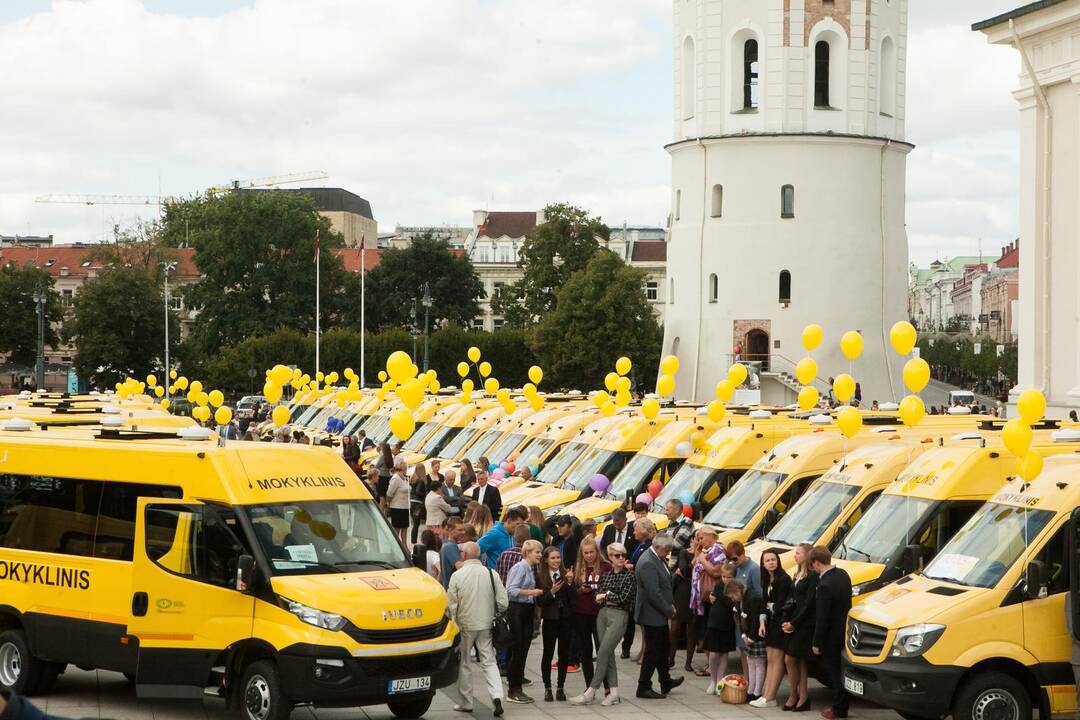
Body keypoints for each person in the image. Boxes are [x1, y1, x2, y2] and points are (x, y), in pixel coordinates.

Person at [569, 541, 636, 707]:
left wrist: (606, 595)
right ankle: (614, 692)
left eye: (623, 555)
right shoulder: (607, 575)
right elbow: (599, 594)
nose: (621, 558)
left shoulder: (629, 575)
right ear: (611, 557)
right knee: (609, 654)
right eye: (616, 555)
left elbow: (624, 598)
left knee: (603, 652)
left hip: (619, 615)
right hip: (603, 614)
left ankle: (591, 691)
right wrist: (605, 595)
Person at [446, 541, 507, 717]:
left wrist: (455, 623)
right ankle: (496, 696)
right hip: (487, 624)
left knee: (465, 663)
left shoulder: (457, 576)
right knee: (489, 661)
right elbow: (503, 602)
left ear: (464, 555)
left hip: (465, 625)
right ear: (479, 555)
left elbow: (452, 606)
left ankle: (466, 702)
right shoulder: (491, 573)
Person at [635, 534, 683, 699]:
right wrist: (668, 609)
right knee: (653, 651)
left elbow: (663, 584)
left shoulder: (656, 557)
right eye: (667, 550)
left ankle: (665, 680)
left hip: (658, 612)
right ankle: (643, 686)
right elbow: (653, 593)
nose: (668, 553)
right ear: (657, 547)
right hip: (652, 614)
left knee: (663, 648)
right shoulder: (648, 562)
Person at [810, 545, 852, 720]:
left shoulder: (824, 585)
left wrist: (816, 642)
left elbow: (822, 617)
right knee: (843, 671)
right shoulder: (843, 575)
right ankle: (842, 705)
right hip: (845, 631)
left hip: (831, 636)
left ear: (817, 563)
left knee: (835, 673)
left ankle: (839, 709)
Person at [751, 549, 793, 708]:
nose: (771, 562)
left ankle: (771, 696)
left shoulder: (783, 579)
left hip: (780, 622)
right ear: (763, 563)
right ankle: (766, 694)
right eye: (767, 560)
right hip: (769, 623)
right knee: (771, 659)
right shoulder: (766, 579)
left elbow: (781, 605)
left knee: (777, 659)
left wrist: (770, 607)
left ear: (778, 561)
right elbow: (765, 603)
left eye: (773, 559)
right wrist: (762, 622)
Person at [506, 539, 545, 704]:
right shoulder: (520, 567)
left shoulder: (531, 568)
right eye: (537, 552)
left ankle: (518, 687)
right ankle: (513, 689)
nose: (540, 555)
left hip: (526, 610)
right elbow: (511, 589)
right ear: (527, 553)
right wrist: (532, 592)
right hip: (517, 611)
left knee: (523, 650)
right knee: (518, 650)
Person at [782, 543, 818, 712]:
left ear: (807, 555)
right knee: (799, 661)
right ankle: (802, 697)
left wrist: (794, 623)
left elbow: (809, 604)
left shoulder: (812, 576)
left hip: (805, 624)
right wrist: (786, 619)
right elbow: (791, 600)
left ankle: (795, 694)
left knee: (790, 659)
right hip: (794, 621)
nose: (795, 555)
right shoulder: (796, 574)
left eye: (798, 553)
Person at [537, 546, 575, 701]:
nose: (556, 561)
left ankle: (560, 687)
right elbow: (540, 601)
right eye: (553, 558)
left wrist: (571, 583)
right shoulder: (541, 577)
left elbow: (573, 600)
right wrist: (551, 592)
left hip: (565, 619)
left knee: (564, 654)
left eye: (558, 557)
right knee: (548, 653)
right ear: (546, 560)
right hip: (550, 620)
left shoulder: (567, 574)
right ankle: (547, 687)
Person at [572, 536, 611, 690]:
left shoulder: (605, 566)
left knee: (602, 650)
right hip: (581, 613)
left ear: (597, 551)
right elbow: (572, 594)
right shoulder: (578, 567)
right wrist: (581, 589)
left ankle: (608, 686)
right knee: (585, 651)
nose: (589, 555)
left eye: (591, 552)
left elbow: (610, 588)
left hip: (599, 613)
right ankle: (590, 686)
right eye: (586, 553)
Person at [689, 527, 725, 675]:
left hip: (710, 596)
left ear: (712, 536)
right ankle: (710, 664)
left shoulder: (718, 550)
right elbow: (693, 563)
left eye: (702, 538)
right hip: (700, 598)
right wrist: (698, 551)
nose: (700, 541)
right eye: (698, 538)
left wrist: (702, 559)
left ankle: (713, 666)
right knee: (701, 631)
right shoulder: (705, 550)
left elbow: (716, 571)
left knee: (708, 632)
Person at [727, 540, 761, 678]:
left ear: (743, 554)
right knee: (742, 650)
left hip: (750, 616)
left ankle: (753, 682)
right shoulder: (738, 568)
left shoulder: (753, 569)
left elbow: (759, 594)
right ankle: (747, 680)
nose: (733, 562)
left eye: (735, 558)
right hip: (740, 616)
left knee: (751, 654)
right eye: (730, 559)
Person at [624, 517, 656, 659]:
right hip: (637, 584)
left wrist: (632, 566)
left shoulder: (648, 546)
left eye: (636, 529)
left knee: (646, 620)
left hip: (643, 586)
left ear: (643, 531)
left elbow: (646, 566)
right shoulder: (640, 544)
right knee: (642, 621)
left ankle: (646, 651)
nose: (634, 532)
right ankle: (643, 649)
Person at [704, 568, 738, 695]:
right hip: (714, 622)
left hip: (727, 624)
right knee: (713, 654)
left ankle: (720, 681)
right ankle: (713, 680)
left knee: (724, 654)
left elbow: (731, 603)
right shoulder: (719, 586)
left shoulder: (735, 588)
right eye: (724, 576)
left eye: (729, 577)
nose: (726, 579)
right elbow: (729, 602)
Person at [669, 529, 697, 673]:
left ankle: (688, 662)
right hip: (683, 590)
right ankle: (671, 658)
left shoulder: (707, 555)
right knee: (675, 627)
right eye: (696, 538)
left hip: (695, 592)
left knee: (691, 630)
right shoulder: (685, 553)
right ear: (692, 539)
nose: (698, 541)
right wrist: (696, 558)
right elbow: (684, 570)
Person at [739, 573, 768, 702]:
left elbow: (756, 619)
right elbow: (741, 618)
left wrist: (751, 637)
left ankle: (757, 692)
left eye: (733, 595)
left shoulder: (753, 598)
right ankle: (751, 690)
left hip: (757, 635)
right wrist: (744, 634)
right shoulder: (741, 598)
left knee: (759, 663)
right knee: (750, 661)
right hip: (749, 635)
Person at [386, 456, 411, 543]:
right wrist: (388, 503)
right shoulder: (395, 478)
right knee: (397, 528)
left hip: (405, 507)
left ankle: (404, 544)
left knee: (405, 527)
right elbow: (389, 493)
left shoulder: (405, 478)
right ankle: (395, 545)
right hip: (397, 507)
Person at [440, 518, 467, 589]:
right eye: (459, 530)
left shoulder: (446, 544)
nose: (463, 532)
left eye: (464, 530)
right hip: (453, 591)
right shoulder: (450, 546)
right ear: (450, 531)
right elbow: (461, 568)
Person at [409, 464, 429, 544]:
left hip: (411, 502)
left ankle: (412, 541)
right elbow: (418, 491)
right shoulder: (421, 480)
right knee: (416, 525)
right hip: (418, 503)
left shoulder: (413, 478)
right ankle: (414, 542)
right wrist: (425, 493)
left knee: (415, 524)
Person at [375, 442, 394, 511]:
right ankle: (385, 512)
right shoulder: (390, 456)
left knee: (381, 496)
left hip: (381, 476)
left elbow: (377, 466)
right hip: (387, 477)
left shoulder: (382, 457)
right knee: (384, 495)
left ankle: (381, 511)